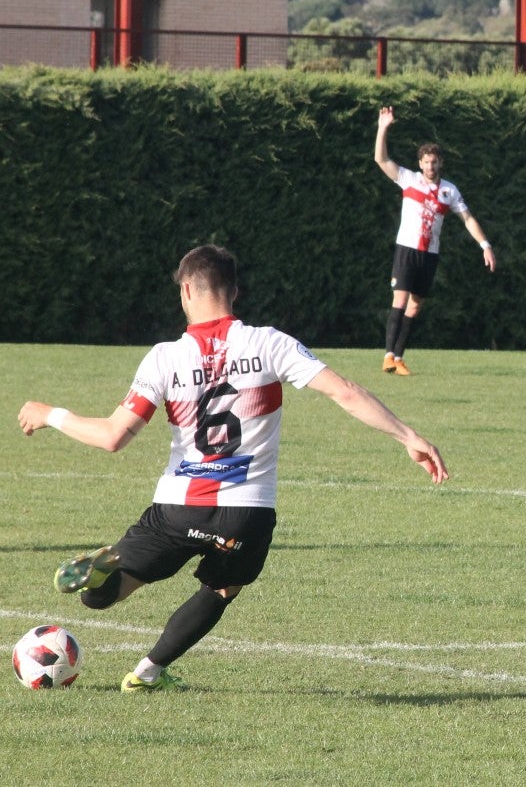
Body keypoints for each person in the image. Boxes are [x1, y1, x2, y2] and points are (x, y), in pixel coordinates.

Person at [17, 244, 449, 692]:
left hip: (176, 507)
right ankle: (147, 674)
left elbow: (113, 436)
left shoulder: (164, 357)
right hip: (245, 510)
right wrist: (408, 436)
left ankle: (103, 572)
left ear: (187, 290)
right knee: (222, 588)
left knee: (101, 597)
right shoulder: (268, 343)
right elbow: (346, 392)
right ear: (235, 292)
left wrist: (51, 414)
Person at [374, 105, 496, 376]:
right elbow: (381, 160)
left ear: (441, 163)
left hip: (429, 255)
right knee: (400, 300)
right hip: (407, 250)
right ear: (420, 164)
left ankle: (399, 358)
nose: (430, 166)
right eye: (426, 162)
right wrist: (383, 128)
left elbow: (467, 218)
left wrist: (485, 245)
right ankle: (387, 355)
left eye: (434, 162)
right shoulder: (408, 179)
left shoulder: (450, 191)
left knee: (415, 307)